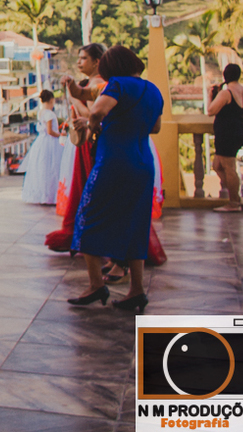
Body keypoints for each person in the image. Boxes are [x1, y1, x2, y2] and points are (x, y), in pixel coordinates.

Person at [69, 45, 163, 313]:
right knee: (136, 222)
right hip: (143, 161)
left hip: (114, 160)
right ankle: (137, 290)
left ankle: (96, 284)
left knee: (89, 215)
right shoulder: (153, 89)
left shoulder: (117, 85)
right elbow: (154, 127)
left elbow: (97, 112)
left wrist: (92, 125)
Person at [46, 43, 105, 252]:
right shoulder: (90, 82)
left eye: (83, 58)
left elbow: (92, 115)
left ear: (96, 62)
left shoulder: (97, 83)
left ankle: (88, 235)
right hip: (86, 139)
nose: (79, 62)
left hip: (90, 140)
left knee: (89, 188)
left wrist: (73, 97)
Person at [209, 63, 243, 213]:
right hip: (240, 130)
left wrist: (211, 96)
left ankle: (234, 202)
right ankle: (236, 196)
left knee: (229, 167)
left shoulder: (227, 93)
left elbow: (210, 110)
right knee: (218, 165)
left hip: (227, 132)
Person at [20, 90, 63, 204]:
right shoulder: (49, 113)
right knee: (52, 167)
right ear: (51, 100)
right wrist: (61, 135)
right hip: (50, 142)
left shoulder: (41, 112)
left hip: (41, 142)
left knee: (43, 167)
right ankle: (50, 195)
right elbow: (50, 131)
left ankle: (43, 195)